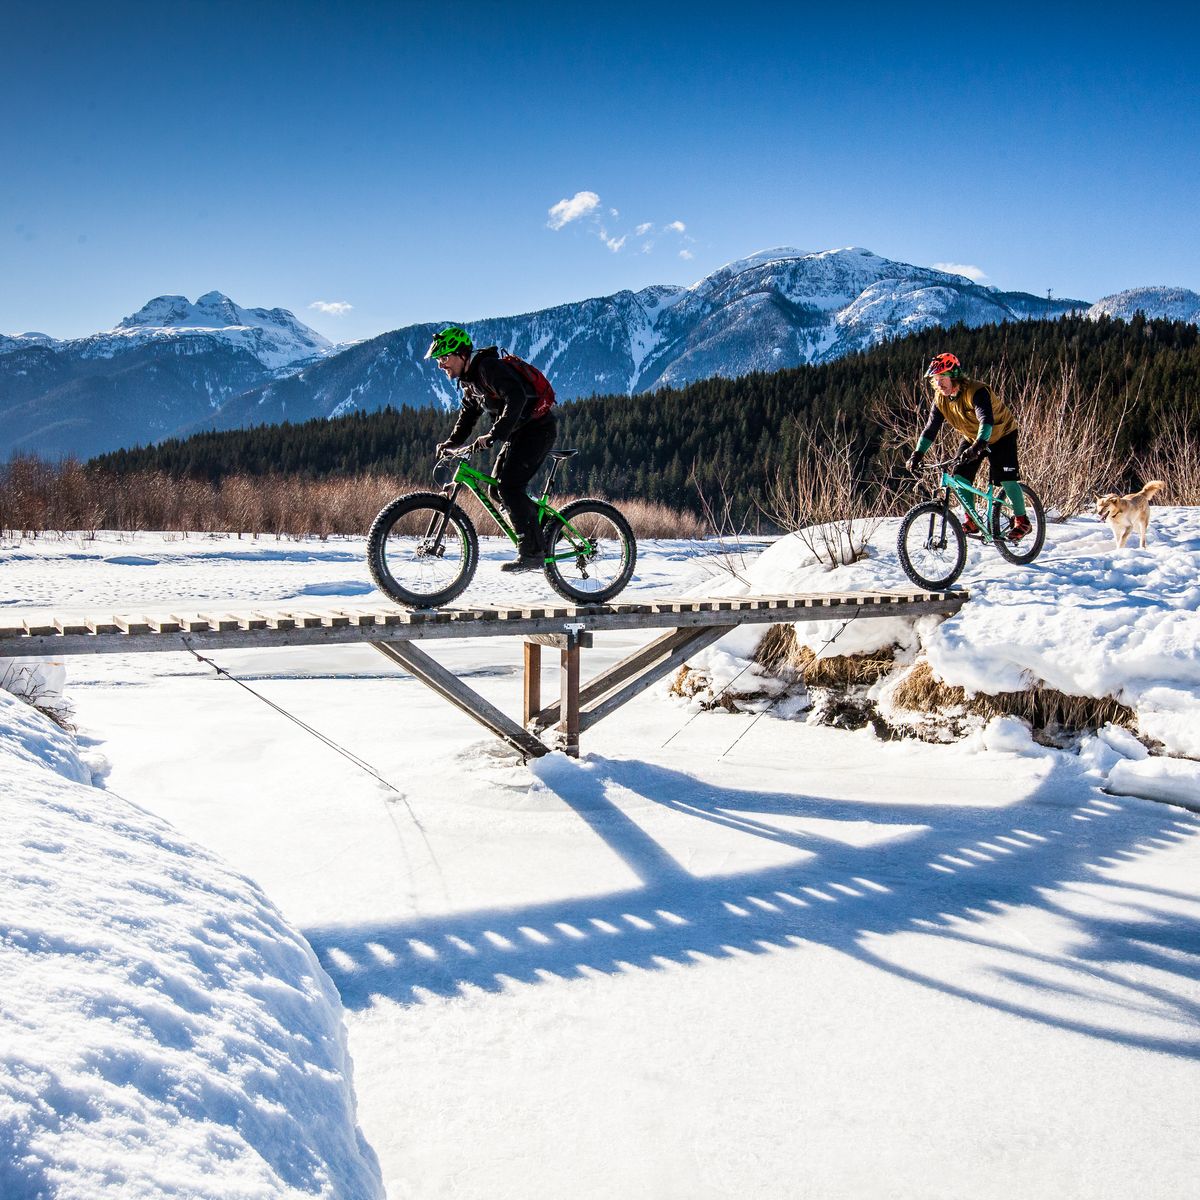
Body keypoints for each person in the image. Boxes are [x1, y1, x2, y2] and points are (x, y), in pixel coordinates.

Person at [427, 325, 558, 572]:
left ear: (462, 355)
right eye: (438, 359)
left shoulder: (488, 368)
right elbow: (468, 415)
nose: (441, 364)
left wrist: (494, 434)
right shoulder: (469, 381)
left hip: (538, 430)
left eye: (444, 358)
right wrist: (452, 442)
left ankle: (532, 553)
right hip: (519, 433)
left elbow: (516, 398)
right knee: (497, 490)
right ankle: (550, 531)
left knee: (510, 487)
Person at [905, 352, 1032, 540]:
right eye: (935, 379)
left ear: (954, 376)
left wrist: (979, 445)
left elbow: (986, 420)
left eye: (943, 378)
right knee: (959, 477)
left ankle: (1022, 520)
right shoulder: (940, 399)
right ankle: (972, 519)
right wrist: (917, 454)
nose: (939, 384)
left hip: (1001, 433)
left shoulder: (976, 391)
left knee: (1006, 478)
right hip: (972, 437)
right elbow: (931, 429)